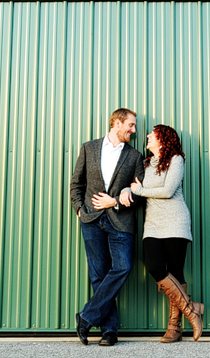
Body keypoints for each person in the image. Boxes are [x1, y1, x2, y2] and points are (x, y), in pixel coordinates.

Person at [69, 108, 145, 347]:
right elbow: (76, 183)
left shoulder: (135, 156)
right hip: (91, 220)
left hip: (120, 221)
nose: (134, 130)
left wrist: (116, 202)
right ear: (117, 123)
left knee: (123, 267)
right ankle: (109, 331)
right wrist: (80, 210)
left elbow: (141, 194)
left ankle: (86, 317)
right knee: (98, 275)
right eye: (131, 125)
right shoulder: (88, 148)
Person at [128, 124, 204, 342]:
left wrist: (140, 191)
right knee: (155, 268)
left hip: (175, 221)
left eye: (152, 134)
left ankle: (174, 328)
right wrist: (126, 191)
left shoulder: (176, 160)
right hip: (152, 224)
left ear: (163, 139)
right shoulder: (144, 164)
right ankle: (192, 310)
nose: (148, 136)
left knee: (176, 272)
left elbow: (168, 190)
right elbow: (131, 186)